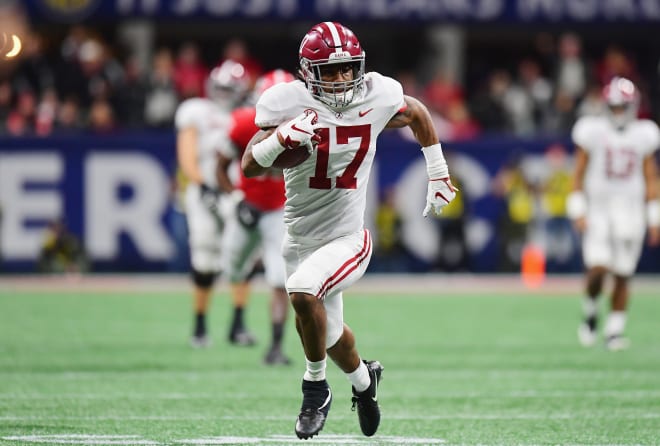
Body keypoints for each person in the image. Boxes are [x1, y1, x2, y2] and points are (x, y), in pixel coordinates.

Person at [241, 22, 457, 439]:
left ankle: (314, 388)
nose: (341, 79)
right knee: (332, 333)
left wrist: (438, 173)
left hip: (347, 238)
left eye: (346, 69)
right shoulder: (287, 103)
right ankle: (364, 382)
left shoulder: (376, 96)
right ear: (307, 72)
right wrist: (280, 139)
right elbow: (250, 165)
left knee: (303, 292)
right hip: (300, 236)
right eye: (330, 70)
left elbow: (417, 112)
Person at [568, 76, 660, 351]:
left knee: (623, 273)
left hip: (630, 210)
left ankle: (614, 330)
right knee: (598, 268)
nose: (618, 112)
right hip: (599, 208)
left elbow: (650, 176)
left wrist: (654, 216)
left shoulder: (645, 133)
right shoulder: (592, 130)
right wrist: (578, 209)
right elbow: (578, 173)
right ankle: (591, 308)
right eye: (615, 107)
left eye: (623, 107)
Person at [216, 69, 296, 365]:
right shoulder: (242, 124)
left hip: (280, 211)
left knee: (280, 279)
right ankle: (237, 315)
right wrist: (235, 198)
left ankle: (275, 347)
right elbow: (220, 167)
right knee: (231, 267)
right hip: (248, 205)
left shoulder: (309, 126)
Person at [175, 59, 254, 348]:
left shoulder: (249, 114)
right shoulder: (196, 111)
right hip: (204, 192)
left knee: (243, 257)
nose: (222, 93)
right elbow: (187, 155)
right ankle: (199, 327)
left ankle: (238, 324)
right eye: (219, 87)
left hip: (235, 193)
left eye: (228, 88)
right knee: (205, 256)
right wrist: (202, 183)